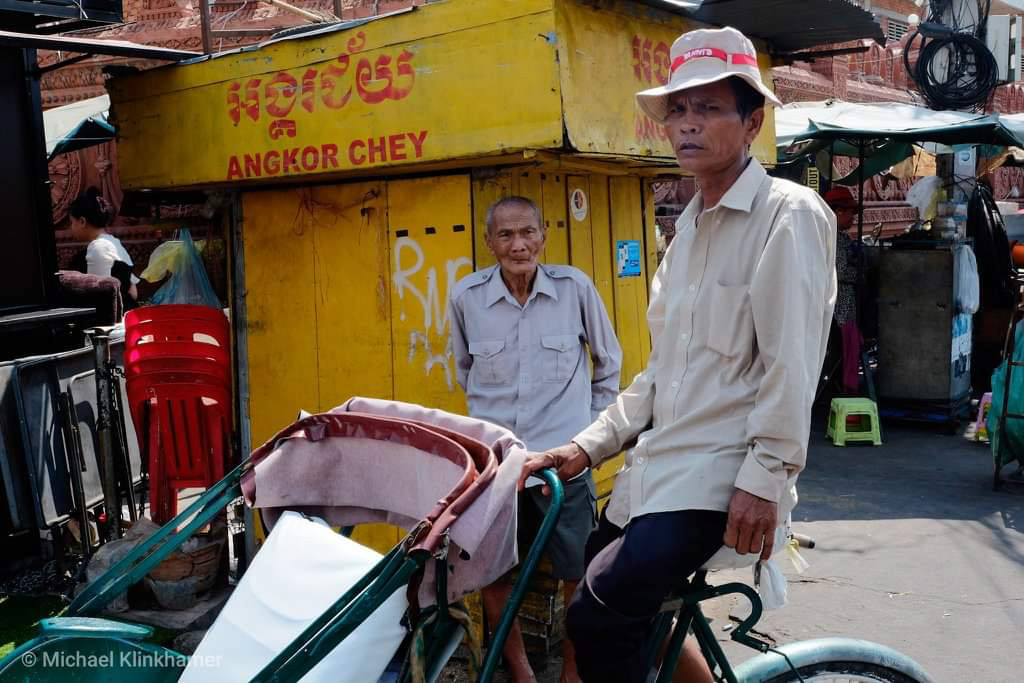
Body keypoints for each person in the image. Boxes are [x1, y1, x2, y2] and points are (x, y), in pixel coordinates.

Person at [518, 27, 837, 683]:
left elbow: (792, 365)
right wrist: (587, 446)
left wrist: (766, 478)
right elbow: (661, 375)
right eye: (678, 111)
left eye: (710, 108)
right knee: (602, 605)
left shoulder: (788, 214)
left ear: (752, 122)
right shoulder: (685, 228)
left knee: (599, 617)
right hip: (657, 474)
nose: (688, 125)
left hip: (723, 478)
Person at [448, 196, 622, 683]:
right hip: (499, 467)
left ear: (544, 236)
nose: (518, 245)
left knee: (578, 574)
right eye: (505, 235)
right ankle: (521, 672)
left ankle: (571, 670)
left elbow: (609, 366)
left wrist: (586, 437)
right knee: (493, 573)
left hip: (563, 465)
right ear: (489, 242)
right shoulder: (467, 298)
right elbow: (466, 371)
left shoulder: (574, 289)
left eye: (527, 233)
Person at [69, 187, 139, 308]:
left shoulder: (97, 248)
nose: (71, 227)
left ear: (82, 221)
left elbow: (99, 297)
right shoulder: (113, 242)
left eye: (72, 222)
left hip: (115, 317)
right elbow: (133, 292)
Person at [825, 186, 861, 394]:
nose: (852, 218)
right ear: (837, 212)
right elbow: (841, 272)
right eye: (849, 213)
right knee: (841, 350)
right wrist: (860, 273)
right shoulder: (835, 239)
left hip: (842, 303)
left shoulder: (839, 236)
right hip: (840, 305)